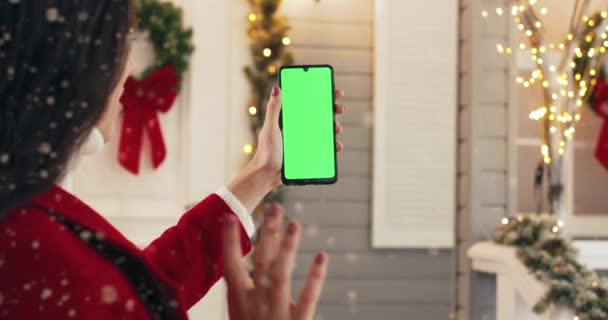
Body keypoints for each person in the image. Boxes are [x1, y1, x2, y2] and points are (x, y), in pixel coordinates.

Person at [0, 1, 346, 319]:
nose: (130, 68)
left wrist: (262, 174)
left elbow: (145, 288)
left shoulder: (26, 205)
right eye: (120, 45)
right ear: (75, 63)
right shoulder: (32, 242)